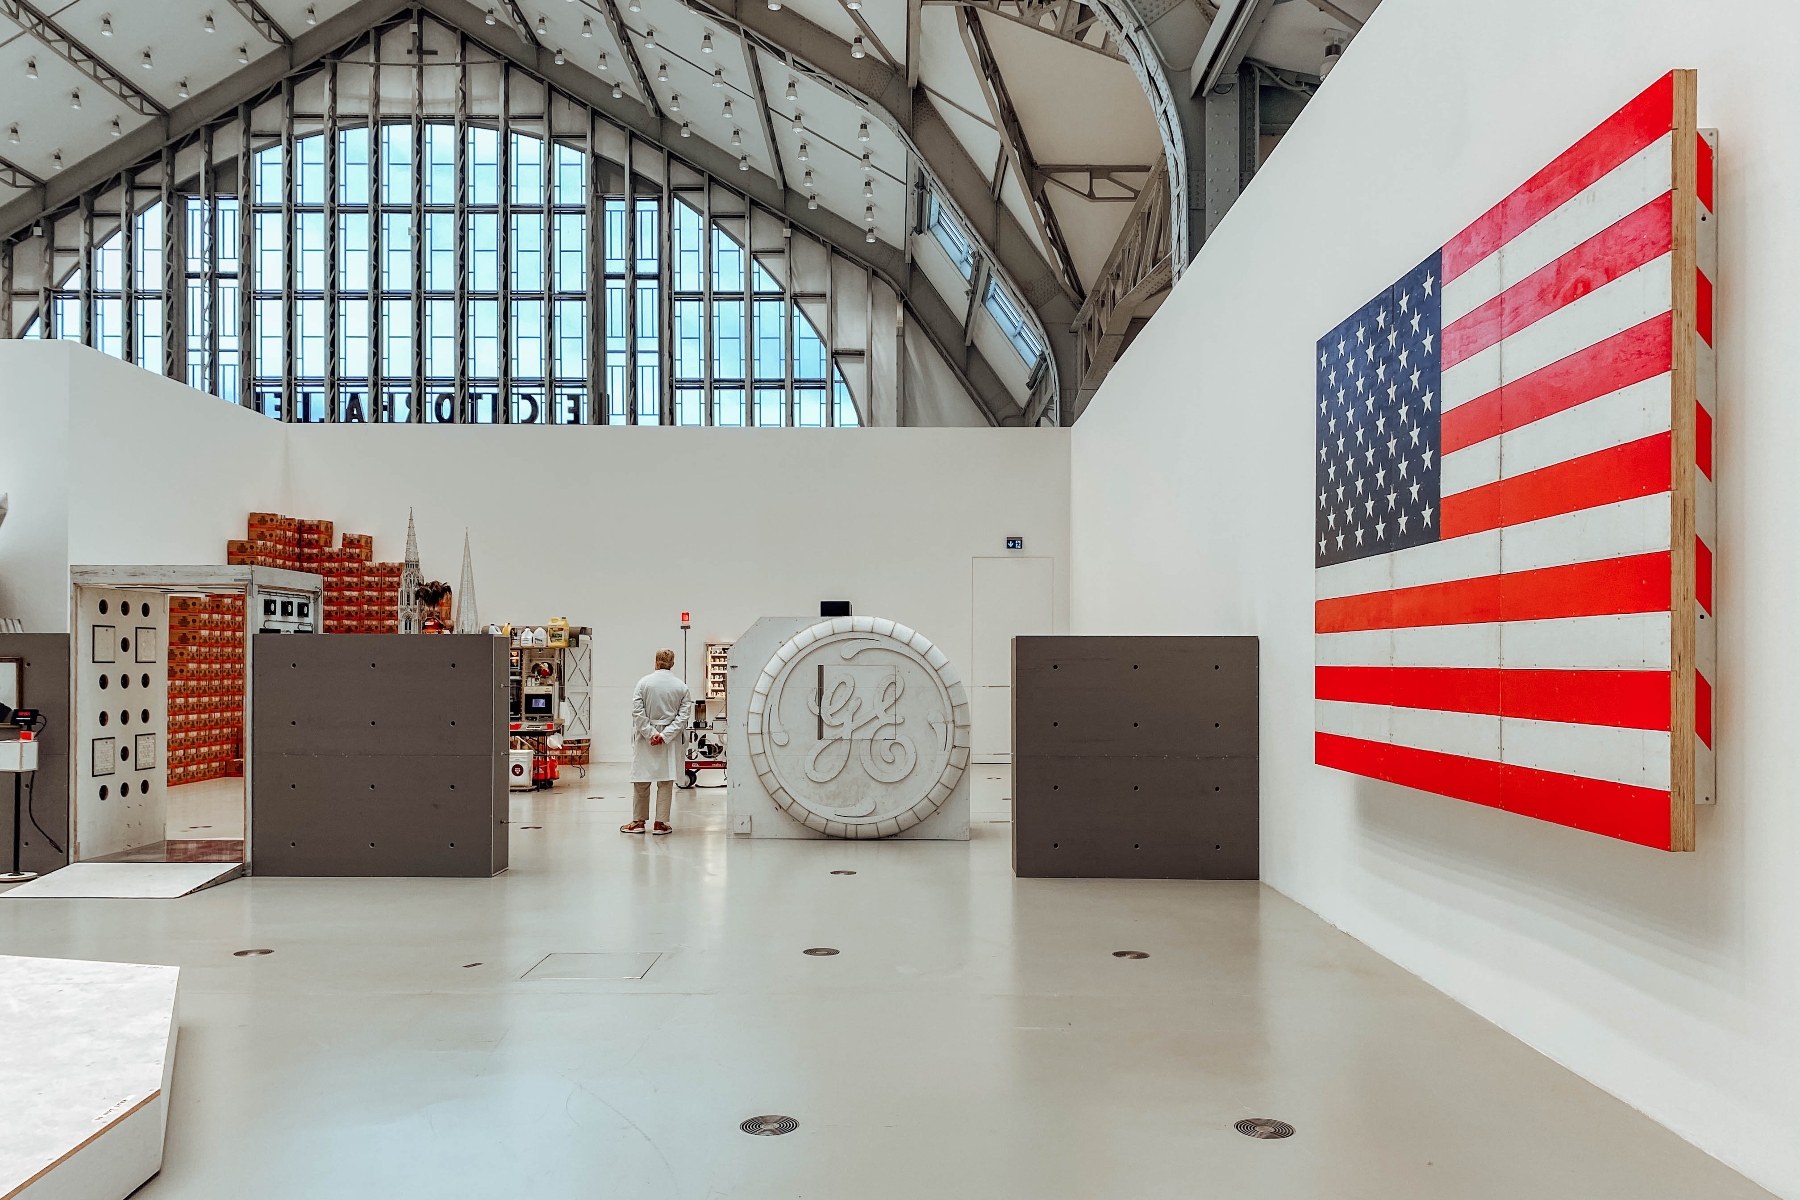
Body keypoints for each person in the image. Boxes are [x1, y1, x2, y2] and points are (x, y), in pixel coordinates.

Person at [621, 649, 693, 835]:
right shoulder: (681, 687)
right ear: (672, 663)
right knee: (665, 781)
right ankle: (660, 824)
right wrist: (665, 735)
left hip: (645, 740)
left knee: (641, 780)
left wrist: (650, 733)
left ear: (656, 662)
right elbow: (683, 716)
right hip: (670, 741)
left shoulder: (643, 683)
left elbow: (637, 712)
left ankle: (638, 822)